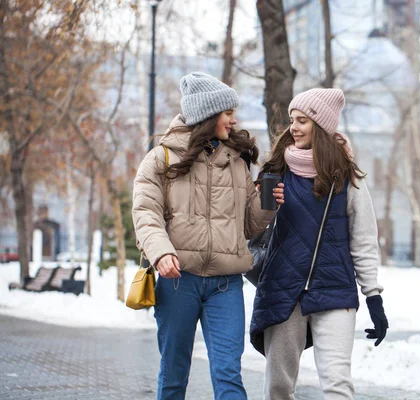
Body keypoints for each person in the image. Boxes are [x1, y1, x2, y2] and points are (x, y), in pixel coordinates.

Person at [132, 72, 284, 400]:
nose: (233, 120)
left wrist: (268, 203)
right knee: (174, 372)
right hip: (177, 281)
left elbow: (248, 226)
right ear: (208, 115)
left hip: (225, 285)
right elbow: (145, 213)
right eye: (227, 113)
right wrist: (160, 252)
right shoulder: (162, 158)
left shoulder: (236, 162)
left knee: (228, 373)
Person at [250, 88, 389, 399]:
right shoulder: (276, 171)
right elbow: (253, 226)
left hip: (335, 290)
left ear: (322, 127)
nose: (294, 128)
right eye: (292, 120)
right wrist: (265, 205)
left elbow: (364, 240)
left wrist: (373, 298)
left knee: (338, 383)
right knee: (278, 387)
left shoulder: (348, 176)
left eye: (303, 121)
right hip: (283, 290)